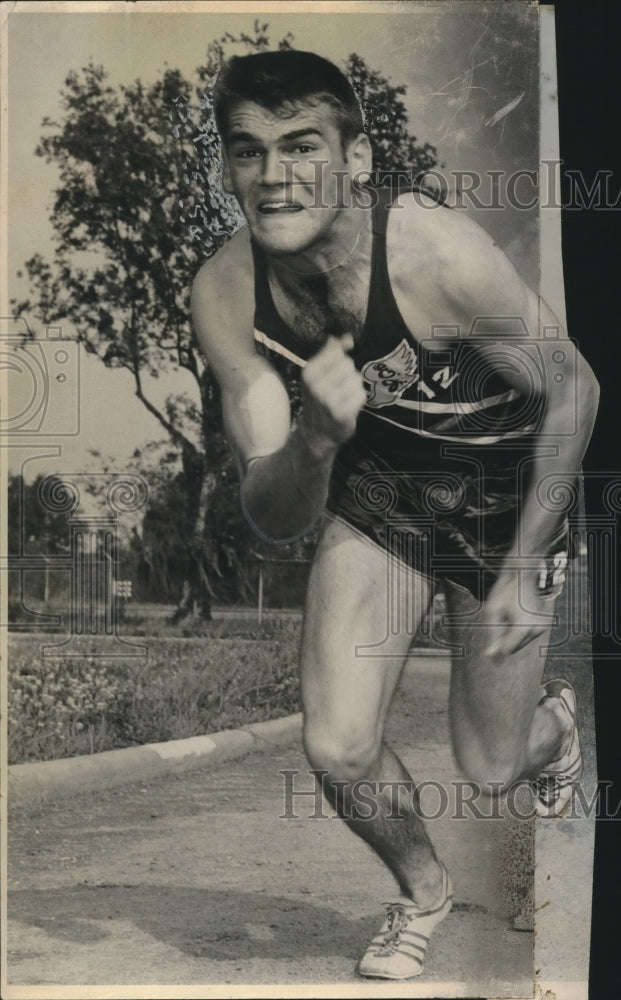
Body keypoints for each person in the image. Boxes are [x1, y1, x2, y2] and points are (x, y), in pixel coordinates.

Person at [191, 50, 598, 981]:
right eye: (246, 152)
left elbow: (575, 389)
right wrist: (316, 444)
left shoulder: (432, 253)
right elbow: (272, 515)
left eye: (301, 146)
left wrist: (522, 569)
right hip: (380, 499)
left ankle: (554, 729)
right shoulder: (224, 295)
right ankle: (422, 895)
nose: (273, 175)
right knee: (335, 745)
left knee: (491, 768)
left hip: (505, 506)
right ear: (226, 169)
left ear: (359, 159)